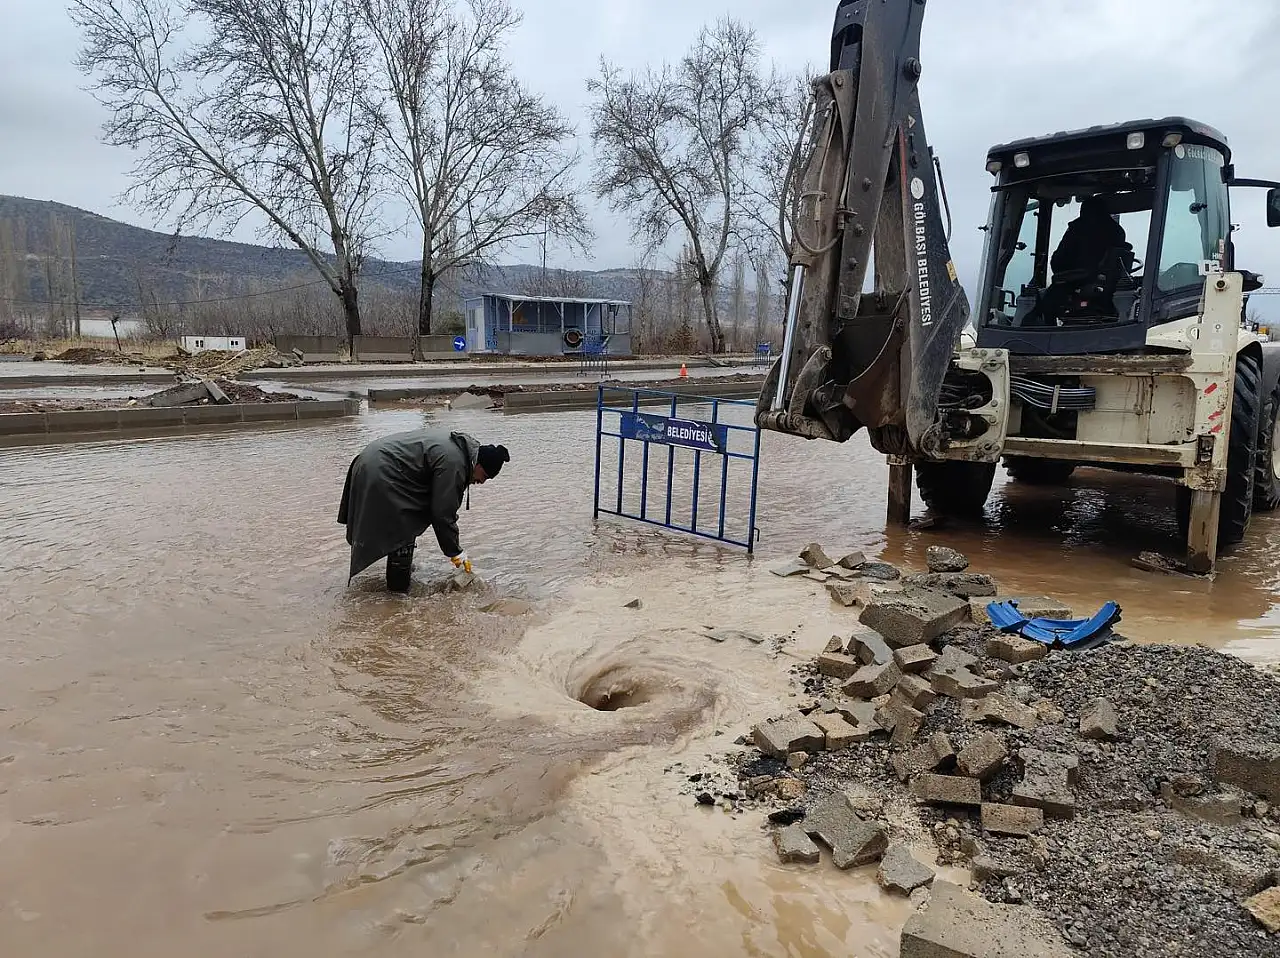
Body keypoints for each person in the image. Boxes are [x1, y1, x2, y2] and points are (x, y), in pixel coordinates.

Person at [337, 428, 510, 592]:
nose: (482, 482)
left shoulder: (460, 449)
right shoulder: (455, 464)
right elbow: (442, 513)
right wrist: (456, 551)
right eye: (485, 476)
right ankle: (396, 598)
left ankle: (397, 582)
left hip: (372, 460)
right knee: (403, 525)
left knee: (407, 519)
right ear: (478, 464)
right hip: (380, 470)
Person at [1050, 194, 1129, 281]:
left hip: (1075, 285)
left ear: (1083, 212)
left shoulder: (1077, 229)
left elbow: (1057, 264)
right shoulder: (1117, 231)